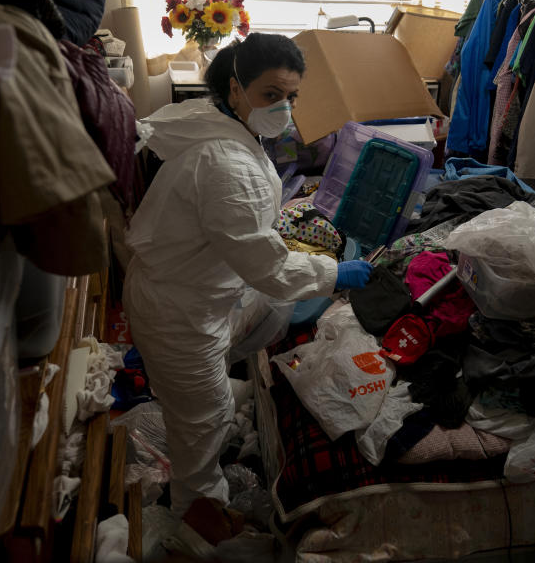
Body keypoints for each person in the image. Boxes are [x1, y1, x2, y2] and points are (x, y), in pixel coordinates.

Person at [124, 32, 372, 515]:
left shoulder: (224, 129)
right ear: (236, 89)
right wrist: (335, 273)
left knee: (222, 380)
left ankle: (209, 402)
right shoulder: (226, 163)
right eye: (271, 95)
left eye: (290, 97)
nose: (283, 108)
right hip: (180, 313)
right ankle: (199, 520)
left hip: (190, 289)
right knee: (203, 426)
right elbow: (272, 269)